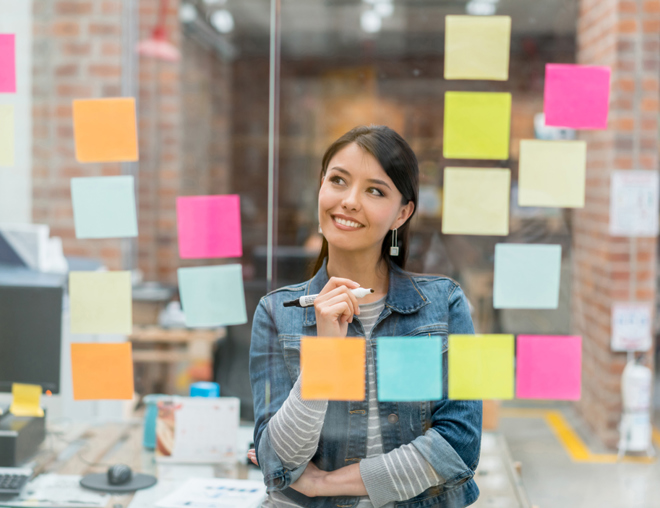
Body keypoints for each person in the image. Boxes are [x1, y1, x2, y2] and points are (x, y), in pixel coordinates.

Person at [249, 125, 482, 508]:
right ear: (320, 188)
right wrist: (326, 355)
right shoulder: (277, 313)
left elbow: (458, 447)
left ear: (401, 213)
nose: (350, 201)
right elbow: (279, 462)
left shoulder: (445, 305)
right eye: (338, 181)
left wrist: (324, 483)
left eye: (375, 190)